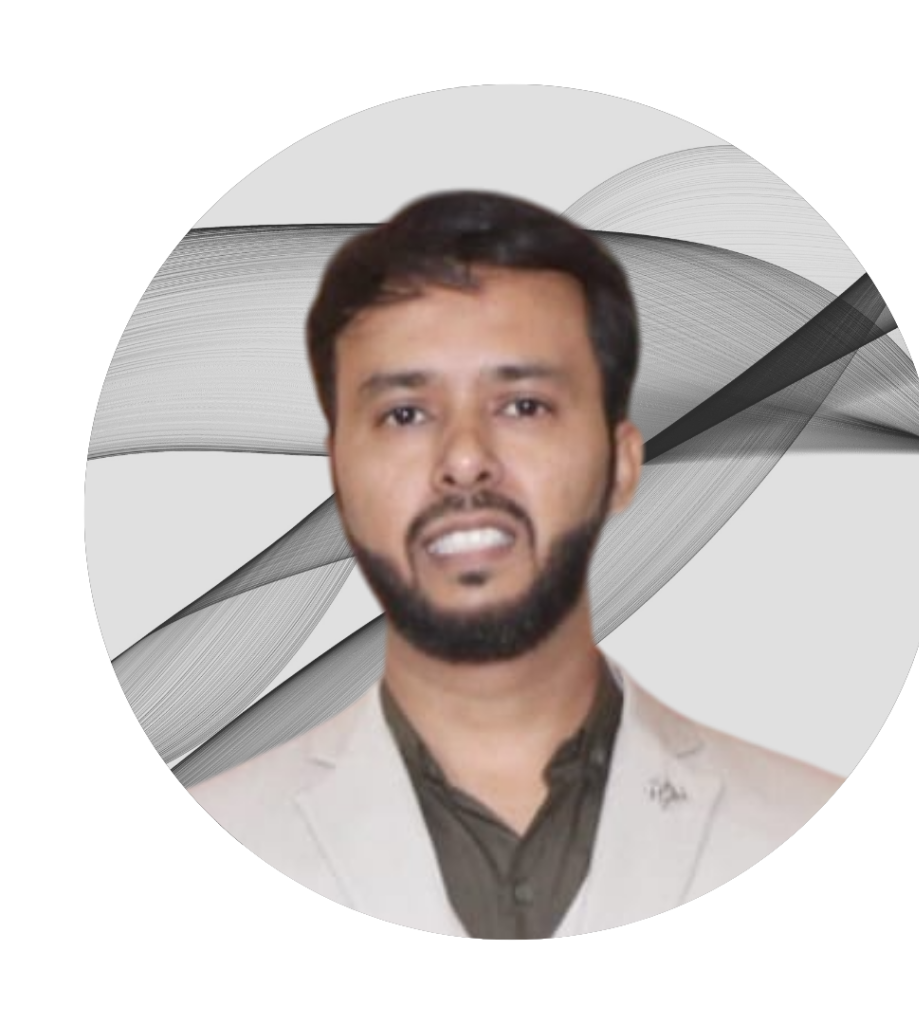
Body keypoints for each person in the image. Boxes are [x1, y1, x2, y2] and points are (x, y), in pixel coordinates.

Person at [187, 191, 844, 938]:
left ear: (622, 464)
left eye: (523, 406)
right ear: (339, 475)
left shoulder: (795, 817)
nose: (465, 459)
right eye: (405, 414)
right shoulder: (232, 824)